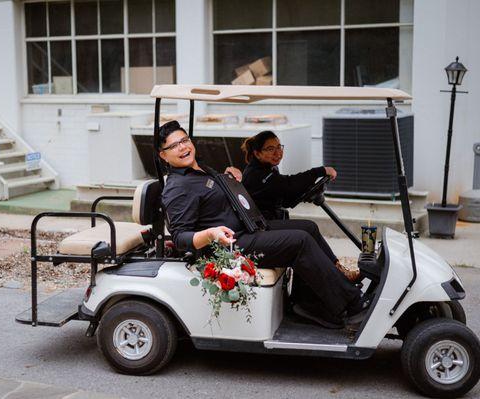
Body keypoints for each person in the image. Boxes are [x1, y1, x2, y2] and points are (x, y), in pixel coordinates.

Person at [158, 120, 368, 329]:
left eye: (184, 140)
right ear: (163, 155)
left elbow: (211, 195)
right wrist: (212, 234)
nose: (183, 147)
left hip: (248, 227)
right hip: (230, 245)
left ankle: (309, 304)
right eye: (174, 146)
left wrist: (228, 175)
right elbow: (180, 238)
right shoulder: (178, 187)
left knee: (307, 227)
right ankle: (353, 305)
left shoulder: (201, 169)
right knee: (300, 241)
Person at [241, 130, 359, 282]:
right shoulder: (257, 174)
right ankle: (338, 274)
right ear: (257, 154)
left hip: (270, 221)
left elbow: (284, 197)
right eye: (270, 149)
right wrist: (320, 171)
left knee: (308, 228)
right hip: (261, 227)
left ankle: (336, 272)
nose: (277, 152)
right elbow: (288, 184)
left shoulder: (268, 169)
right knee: (309, 228)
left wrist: (306, 193)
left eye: (279, 147)